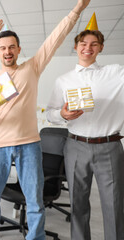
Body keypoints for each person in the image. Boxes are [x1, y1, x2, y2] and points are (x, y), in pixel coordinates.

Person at [0, 0, 90, 239]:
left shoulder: (32, 67)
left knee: (35, 200)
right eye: (3, 48)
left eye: (12, 47)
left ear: (18, 49)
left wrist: (77, 9)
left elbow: (55, 38)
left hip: (29, 144)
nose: (7, 51)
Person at [46, 27, 124, 240]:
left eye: (93, 44)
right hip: (76, 145)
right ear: (76, 47)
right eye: (83, 44)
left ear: (101, 48)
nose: (87, 48)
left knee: (114, 204)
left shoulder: (116, 73)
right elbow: (50, 114)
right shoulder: (64, 80)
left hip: (109, 145)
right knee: (78, 203)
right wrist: (62, 113)